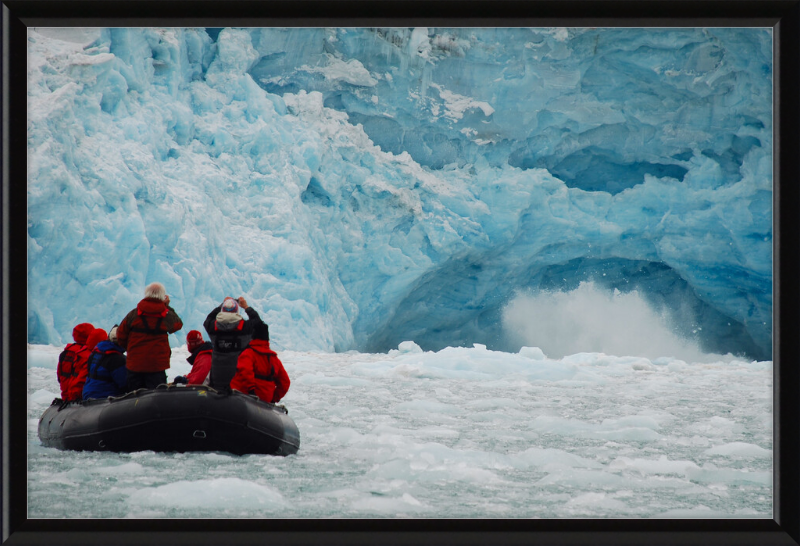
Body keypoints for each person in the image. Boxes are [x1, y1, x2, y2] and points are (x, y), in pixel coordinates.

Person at [116, 282, 183, 391]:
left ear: (146, 294)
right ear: (162, 296)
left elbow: (121, 335)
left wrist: (131, 350)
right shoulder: (166, 315)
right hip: (156, 366)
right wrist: (167, 306)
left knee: (134, 397)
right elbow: (177, 325)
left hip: (135, 364)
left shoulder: (134, 314)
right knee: (156, 398)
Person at [203, 296, 264, 391]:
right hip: (237, 382)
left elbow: (208, 320)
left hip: (217, 379)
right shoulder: (245, 328)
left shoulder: (213, 328)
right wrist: (246, 307)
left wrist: (221, 305)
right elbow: (257, 322)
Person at [230, 322, 290, 404]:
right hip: (266, 400)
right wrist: (273, 399)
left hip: (243, 397)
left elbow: (245, 371)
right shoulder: (274, 358)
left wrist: (252, 391)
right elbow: (285, 382)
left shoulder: (248, 353)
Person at [82, 325, 128, 400]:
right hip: (105, 397)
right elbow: (124, 384)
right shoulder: (117, 359)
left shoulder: (95, 352)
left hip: (88, 394)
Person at [57, 322, 94, 402]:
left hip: (66, 396)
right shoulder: (86, 354)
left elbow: (59, 376)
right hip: (79, 398)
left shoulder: (65, 353)